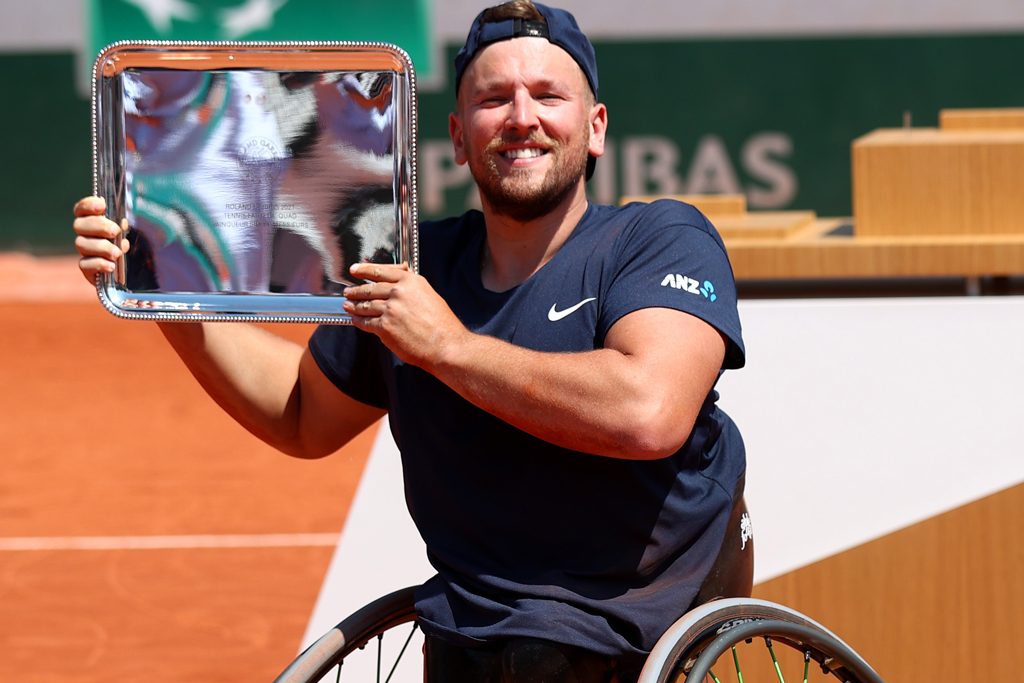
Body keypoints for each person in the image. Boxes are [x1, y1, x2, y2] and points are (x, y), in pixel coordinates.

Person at [73, 2, 752, 680]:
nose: (521, 117)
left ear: (596, 127)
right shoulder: (412, 267)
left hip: (636, 628)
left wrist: (447, 347)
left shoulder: (659, 238)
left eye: (548, 96)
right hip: (471, 632)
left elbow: (648, 414)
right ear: (457, 137)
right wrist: (162, 291)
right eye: (493, 99)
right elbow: (302, 413)